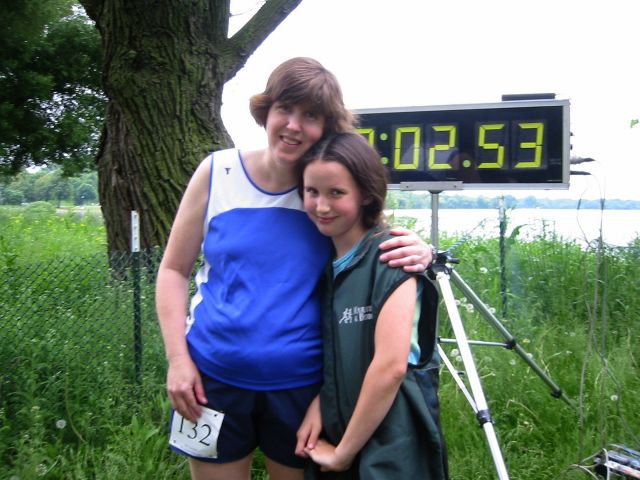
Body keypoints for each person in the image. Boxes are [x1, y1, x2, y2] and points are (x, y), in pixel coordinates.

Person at [155, 57, 435, 480]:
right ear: (265, 110)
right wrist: (178, 360)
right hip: (210, 381)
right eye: (285, 108)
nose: (293, 125)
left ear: (328, 126)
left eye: (311, 116)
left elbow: (374, 240)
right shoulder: (216, 172)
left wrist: (423, 250)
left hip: (301, 388)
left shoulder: (324, 192)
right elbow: (173, 270)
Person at [295, 132, 448, 479]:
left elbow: (390, 366)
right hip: (340, 425)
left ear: (366, 194)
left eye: (337, 193)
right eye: (312, 191)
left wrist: (343, 454)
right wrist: (323, 402)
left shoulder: (391, 256)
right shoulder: (324, 264)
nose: (321, 206)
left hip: (393, 443)